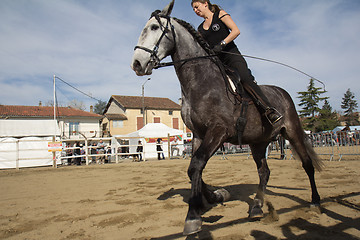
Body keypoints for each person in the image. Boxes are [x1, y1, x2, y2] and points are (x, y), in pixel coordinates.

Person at [191, 0, 282, 125]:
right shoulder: (200, 28)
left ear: (205, 3)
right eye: (194, 9)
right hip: (218, 63)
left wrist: (222, 44)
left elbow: (235, 31)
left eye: (197, 7)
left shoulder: (220, 14)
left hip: (232, 57)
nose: (196, 10)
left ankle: (268, 110)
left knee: (245, 79)